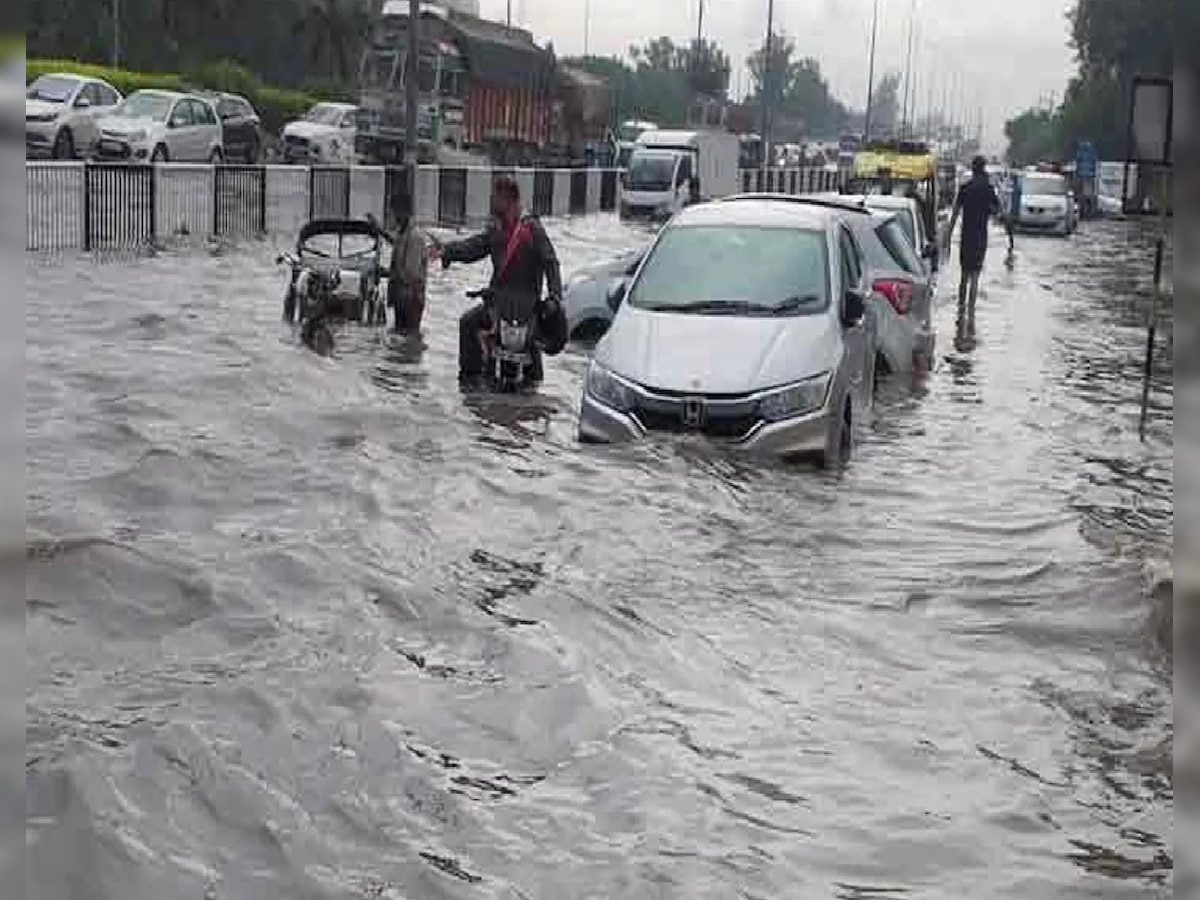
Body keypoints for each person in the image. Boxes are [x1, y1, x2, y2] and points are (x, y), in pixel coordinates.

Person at [429, 176, 565, 383]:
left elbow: (551, 263)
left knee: (471, 323)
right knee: (469, 323)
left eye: (496, 196)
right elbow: (475, 247)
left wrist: (554, 297)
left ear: (508, 199)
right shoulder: (498, 229)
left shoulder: (531, 229)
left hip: (519, 308)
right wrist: (448, 250)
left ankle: (470, 382)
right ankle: (471, 381)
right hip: (502, 306)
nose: (492, 201)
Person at [947, 155, 1002, 319]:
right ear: (984, 168)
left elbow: (955, 214)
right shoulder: (988, 189)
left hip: (966, 237)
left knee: (964, 275)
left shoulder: (965, 188)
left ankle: (960, 310)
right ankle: (970, 312)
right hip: (980, 237)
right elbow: (997, 212)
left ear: (972, 168)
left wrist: (948, 237)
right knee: (975, 276)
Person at [379, 192, 429, 334]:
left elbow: (410, 274)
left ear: (402, 212)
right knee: (401, 341)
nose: (391, 216)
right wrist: (379, 230)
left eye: (392, 212)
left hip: (411, 299)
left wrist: (388, 273)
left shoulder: (415, 236)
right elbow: (396, 245)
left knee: (409, 338)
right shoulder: (403, 233)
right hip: (402, 297)